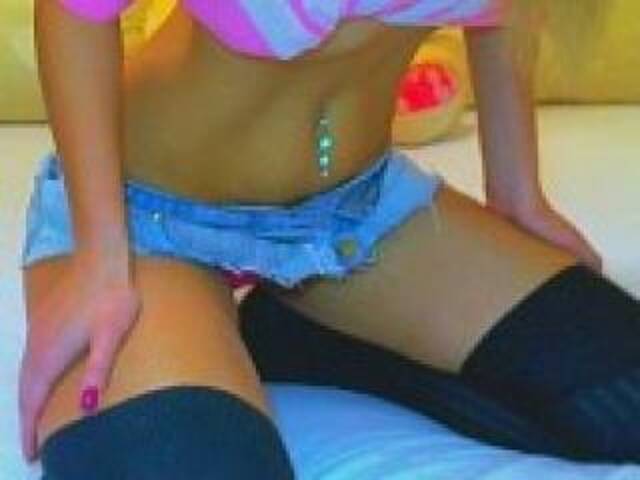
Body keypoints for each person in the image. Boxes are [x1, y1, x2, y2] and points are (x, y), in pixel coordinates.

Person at [19, 0, 635, 478]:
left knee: (622, 395)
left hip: (357, 214)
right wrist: (101, 255)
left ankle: (295, 329)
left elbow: (511, 10)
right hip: (147, 219)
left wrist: (518, 193)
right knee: (191, 463)